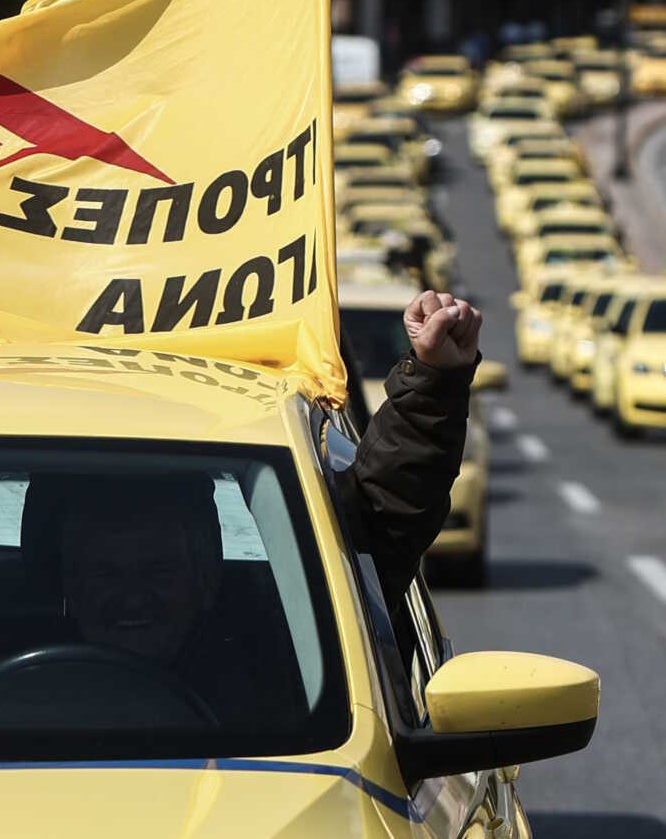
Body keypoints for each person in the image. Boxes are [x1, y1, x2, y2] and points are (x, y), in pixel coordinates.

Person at [44, 291, 482, 724]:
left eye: (160, 571)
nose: (133, 597)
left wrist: (433, 379)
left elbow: (386, 516)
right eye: (104, 573)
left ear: (206, 578)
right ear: (65, 586)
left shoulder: (299, 648)